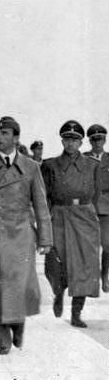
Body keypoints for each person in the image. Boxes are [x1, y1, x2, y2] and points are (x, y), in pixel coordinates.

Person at [0, 116, 52, 355]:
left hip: (22, 235)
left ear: (16, 138)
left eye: (4, 133)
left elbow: (41, 205)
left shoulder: (31, 167)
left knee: (18, 285)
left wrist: (45, 239)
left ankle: (19, 323)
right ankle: (2, 339)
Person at [42, 120, 101, 326]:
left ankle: (77, 312)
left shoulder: (93, 165)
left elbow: (97, 194)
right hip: (59, 214)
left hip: (84, 215)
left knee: (85, 264)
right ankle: (58, 291)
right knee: (56, 260)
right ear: (62, 140)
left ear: (81, 142)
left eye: (75, 140)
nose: (71, 144)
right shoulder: (50, 165)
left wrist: (89, 213)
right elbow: (45, 195)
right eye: (67, 139)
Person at [83, 124, 109, 292]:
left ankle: (105, 275)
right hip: (88, 208)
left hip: (107, 208)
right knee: (88, 246)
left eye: (100, 139)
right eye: (94, 139)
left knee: (107, 244)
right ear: (90, 141)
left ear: (105, 140)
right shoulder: (83, 158)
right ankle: (91, 277)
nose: (97, 143)